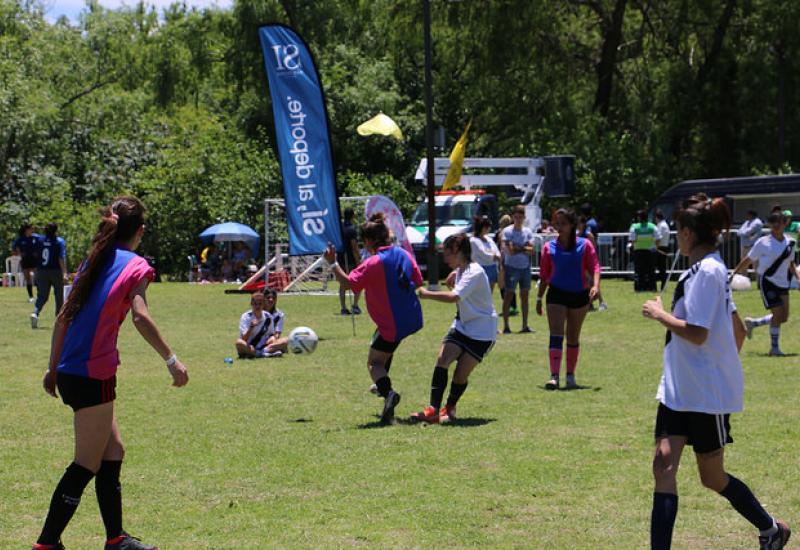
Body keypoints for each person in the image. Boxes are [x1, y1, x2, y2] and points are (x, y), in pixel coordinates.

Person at [32, 196, 189, 550]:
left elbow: (62, 318)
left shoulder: (96, 259)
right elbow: (140, 316)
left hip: (74, 371)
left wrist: (53, 367)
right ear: (141, 232)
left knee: (112, 449)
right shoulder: (136, 266)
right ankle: (45, 544)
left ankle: (116, 539)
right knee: (85, 464)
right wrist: (171, 360)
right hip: (91, 374)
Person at [642, 194, 790, 550]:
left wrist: (659, 313)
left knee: (712, 477)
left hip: (705, 395)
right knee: (663, 465)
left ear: (689, 233)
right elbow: (736, 329)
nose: (676, 236)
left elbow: (697, 332)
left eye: (678, 230)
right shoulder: (700, 269)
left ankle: (772, 529)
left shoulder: (709, 270)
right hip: (679, 389)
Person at [323, 213, 424, 424]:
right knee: (383, 348)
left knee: (374, 362)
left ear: (368, 241)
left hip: (392, 324)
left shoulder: (373, 262)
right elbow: (418, 279)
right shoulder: (404, 254)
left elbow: (349, 283)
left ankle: (387, 393)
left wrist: (333, 263)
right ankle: (382, 383)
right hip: (411, 317)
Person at [411, 233, 497, 423]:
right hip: (462, 326)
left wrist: (426, 293)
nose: (444, 258)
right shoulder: (461, 270)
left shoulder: (474, 272)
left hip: (482, 332)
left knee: (460, 374)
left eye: (447, 253)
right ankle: (433, 409)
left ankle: (449, 408)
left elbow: (453, 297)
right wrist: (455, 273)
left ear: (457, 251)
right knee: (443, 359)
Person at [536, 208, 600, 390]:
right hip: (556, 293)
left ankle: (570, 376)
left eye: (563, 223)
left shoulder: (585, 245)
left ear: (572, 225)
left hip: (579, 294)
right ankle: (554, 376)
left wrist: (595, 286)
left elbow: (595, 267)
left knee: (573, 336)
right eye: (557, 223)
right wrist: (539, 298)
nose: (559, 227)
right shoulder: (549, 247)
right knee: (556, 334)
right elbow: (544, 275)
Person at [731, 207, 799, 356]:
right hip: (767, 281)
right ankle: (774, 348)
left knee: (784, 317)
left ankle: (754, 323)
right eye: (772, 222)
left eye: (779, 222)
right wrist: (734, 273)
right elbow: (748, 259)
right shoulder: (763, 242)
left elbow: (791, 263)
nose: (775, 225)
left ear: (784, 223)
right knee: (778, 312)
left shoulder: (791, 243)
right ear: (768, 225)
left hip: (783, 282)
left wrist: (798, 278)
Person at [501, 205, 535, 334]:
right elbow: (510, 250)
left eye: (521, 217)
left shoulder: (528, 231)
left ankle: (525, 325)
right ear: (513, 217)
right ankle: (506, 326)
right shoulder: (507, 231)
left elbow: (531, 250)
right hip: (511, 267)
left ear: (524, 217)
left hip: (525, 268)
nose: (518, 219)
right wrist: (523, 248)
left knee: (525, 296)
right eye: (516, 217)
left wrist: (518, 248)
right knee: (509, 295)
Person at [30, 223, 68, 329]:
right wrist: (64, 272)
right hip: (55, 271)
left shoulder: (40, 240)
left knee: (42, 295)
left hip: (41, 271)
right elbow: (61, 257)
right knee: (59, 295)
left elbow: (36, 254)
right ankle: (59, 319)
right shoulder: (59, 241)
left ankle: (35, 313)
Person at [235, 289, 288, 358]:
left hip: (264, 347)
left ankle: (259, 353)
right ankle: (265, 354)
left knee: (286, 340)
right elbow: (244, 339)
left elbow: (271, 334)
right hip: (250, 346)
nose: (257, 306)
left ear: (263, 304)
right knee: (239, 343)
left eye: (260, 304)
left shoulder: (268, 317)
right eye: (255, 304)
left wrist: (272, 338)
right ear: (251, 304)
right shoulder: (246, 316)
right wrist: (251, 328)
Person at [337, 207, 363, 315]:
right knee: (358, 282)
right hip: (351, 259)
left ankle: (343, 308)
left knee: (343, 283)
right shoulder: (352, 229)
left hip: (340, 258)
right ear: (352, 215)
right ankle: (355, 306)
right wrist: (358, 260)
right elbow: (354, 247)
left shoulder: (339, 228)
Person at [470, 215, 502, 296]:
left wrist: (496, 255)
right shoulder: (474, 240)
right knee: (480, 293)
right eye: (488, 227)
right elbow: (484, 254)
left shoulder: (488, 239)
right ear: (483, 228)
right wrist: (494, 256)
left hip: (492, 268)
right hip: (481, 268)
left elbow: (496, 250)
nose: (489, 229)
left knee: (489, 293)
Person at [629, 210, 658, 292]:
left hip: (638, 251)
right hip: (650, 251)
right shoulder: (652, 226)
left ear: (639, 218)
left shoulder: (634, 227)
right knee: (651, 271)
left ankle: (639, 288)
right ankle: (652, 288)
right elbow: (658, 238)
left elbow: (632, 240)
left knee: (639, 271)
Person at [13, 223, 41, 303]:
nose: (33, 230)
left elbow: (43, 244)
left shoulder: (36, 237)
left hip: (35, 261)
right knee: (28, 279)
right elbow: (14, 248)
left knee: (37, 278)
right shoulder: (20, 239)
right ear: (26, 230)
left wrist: (38, 252)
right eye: (31, 228)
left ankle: (40, 296)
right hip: (25, 261)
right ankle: (31, 297)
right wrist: (20, 253)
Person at [495, 214, 516, 316]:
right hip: (511, 260)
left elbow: (498, 246)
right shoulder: (512, 232)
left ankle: (507, 306)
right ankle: (513, 306)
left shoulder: (500, 233)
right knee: (511, 284)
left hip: (502, 260)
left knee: (503, 284)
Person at [653, 210, 672, 292]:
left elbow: (658, 238)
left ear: (657, 217)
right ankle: (663, 287)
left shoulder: (661, 226)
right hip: (664, 247)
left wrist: (654, 247)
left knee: (659, 268)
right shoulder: (665, 225)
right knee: (662, 269)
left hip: (660, 248)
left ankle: (660, 286)